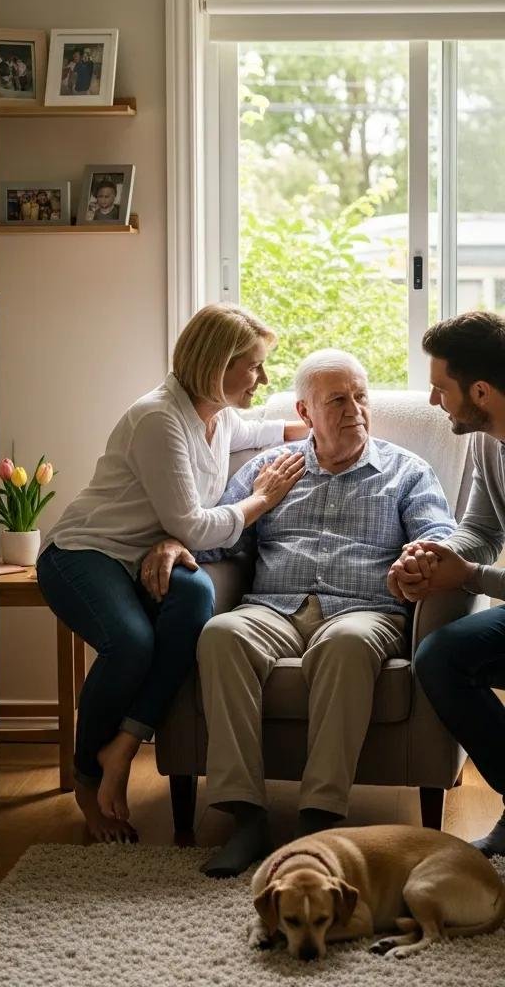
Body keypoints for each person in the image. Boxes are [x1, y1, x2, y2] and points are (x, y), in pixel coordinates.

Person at [36, 305, 307, 842]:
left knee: (195, 597)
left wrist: (316, 420)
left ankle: (126, 743)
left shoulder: (218, 415)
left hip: (147, 557)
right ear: (216, 364)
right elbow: (195, 526)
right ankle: (87, 780)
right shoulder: (159, 418)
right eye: (253, 366)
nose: (263, 378)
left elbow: (258, 430)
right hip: (84, 552)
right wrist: (260, 499)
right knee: (131, 644)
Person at [195, 350, 456, 878]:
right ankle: (246, 816)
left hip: (365, 610)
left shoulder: (406, 471)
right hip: (275, 606)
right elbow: (218, 536)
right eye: (337, 399)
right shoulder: (269, 471)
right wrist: (174, 547)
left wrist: (419, 557)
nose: (354, 408)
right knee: (221, 634)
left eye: (360, 396)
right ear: (304, 410)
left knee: (347, 645)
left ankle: (318, 816)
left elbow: (440, 537)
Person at [394, 312, 505, 857]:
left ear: (480, 390)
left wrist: (471, 576)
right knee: (440, 657)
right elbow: (481, 530)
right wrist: (436, 555)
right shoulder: (488, 439)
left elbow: (478, 566)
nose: (434, 401)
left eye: (442, 388)